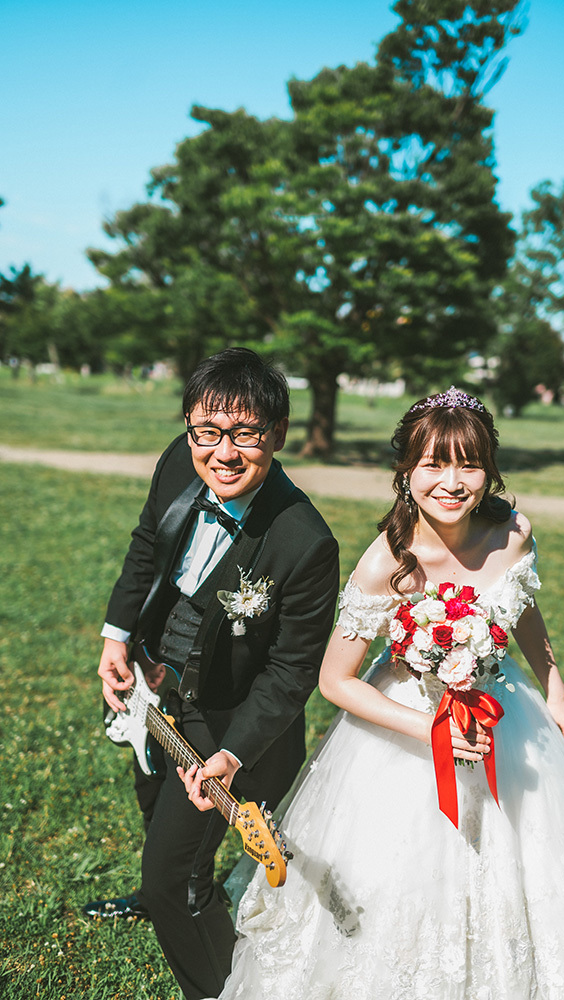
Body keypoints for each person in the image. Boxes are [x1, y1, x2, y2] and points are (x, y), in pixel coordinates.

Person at [183, 386, 564, 1000]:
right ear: (405, 471)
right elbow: (335, 680)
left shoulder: (512, 534)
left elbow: (524, 609)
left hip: (501, 709)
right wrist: (431, 729)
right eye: (434, 463)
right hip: (406, 723)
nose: (452, 481)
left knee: (528, 855)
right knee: (404, 875)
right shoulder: (389, 561)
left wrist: (556, 688)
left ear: (490, 470)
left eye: (470, 463)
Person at [84, 348, 339, 1000]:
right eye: (207, 432)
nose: (222, 452)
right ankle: (162, 883)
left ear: (276, 436)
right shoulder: (180, 457)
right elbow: (148, 541)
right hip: (150, 676)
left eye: (244, 434)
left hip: (229, 725)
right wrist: (118, 636)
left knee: (179, 882)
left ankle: (223, 984)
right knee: (150, 797)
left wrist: (230, 752)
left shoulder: (304, 541)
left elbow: (290, 672)